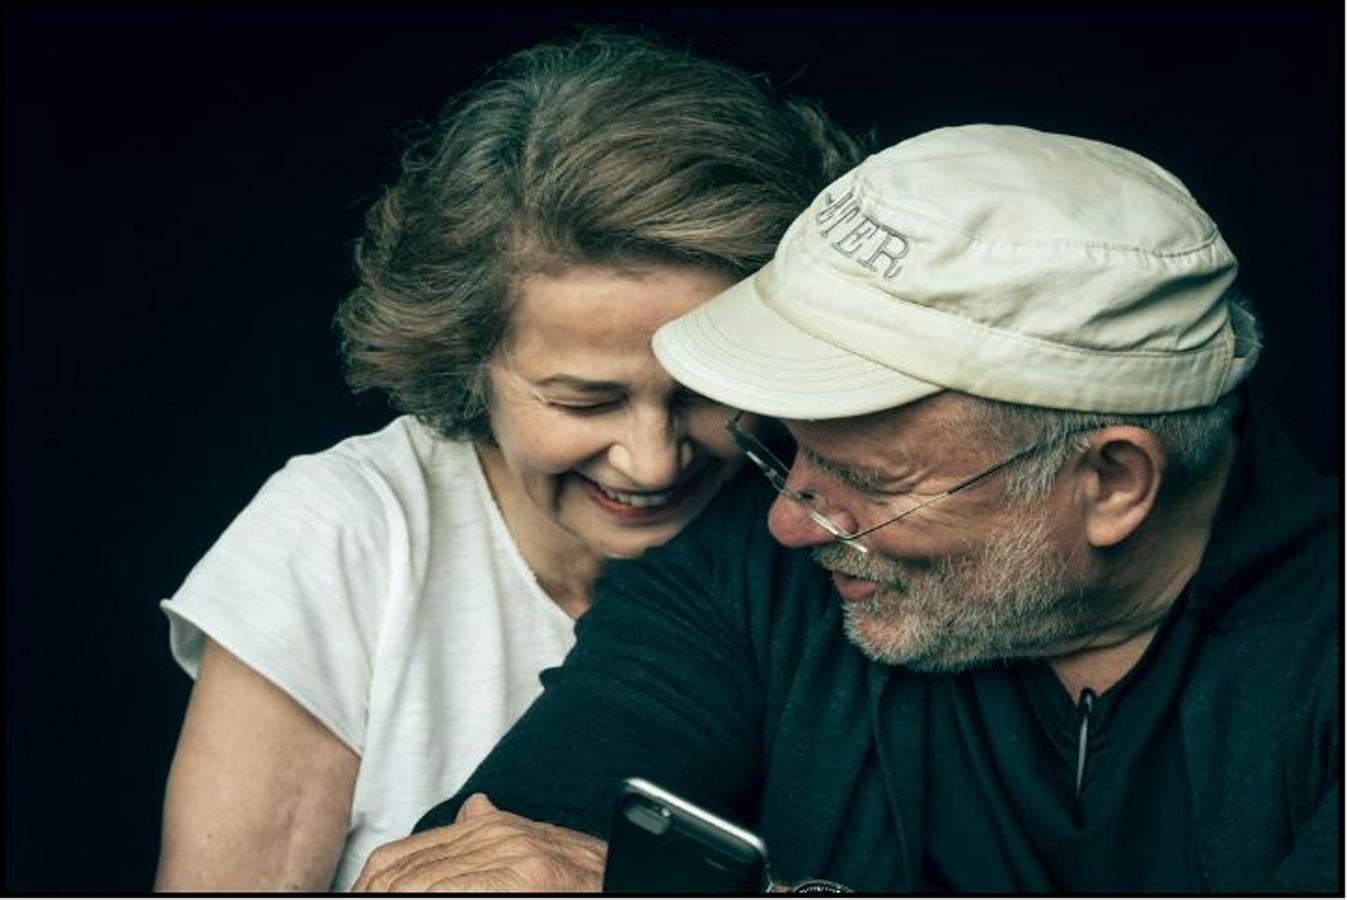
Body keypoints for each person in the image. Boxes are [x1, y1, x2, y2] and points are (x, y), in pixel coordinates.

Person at [354, 125, 1339, 893]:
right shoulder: (756, 565)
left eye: (867, 479)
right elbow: (486, 858)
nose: (787, 518)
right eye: (784, 447)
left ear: (1114, 482)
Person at [153, 30, 864, 891]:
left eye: (701, 393)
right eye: (583, 401)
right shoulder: (343, 530)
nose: (649, 461)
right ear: (465, 360)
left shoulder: (837, 531)